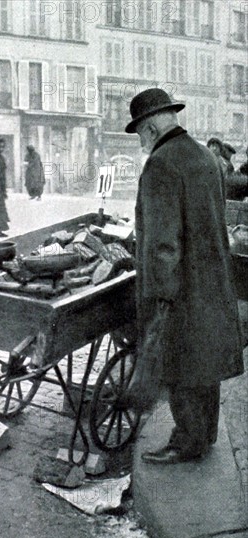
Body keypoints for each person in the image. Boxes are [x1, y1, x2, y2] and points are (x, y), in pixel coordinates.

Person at [125, 88, 243, 464]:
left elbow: (163, 244)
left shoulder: (160, 164)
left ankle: (186, 442)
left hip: (180, 287)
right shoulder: (206, 156)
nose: (142, 143)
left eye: (142, 133)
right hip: (211, 280)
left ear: (153, 127)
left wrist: (159, 298)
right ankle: (203, 435)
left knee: (178, 364)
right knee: (204, 365)